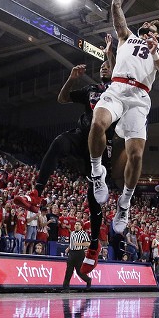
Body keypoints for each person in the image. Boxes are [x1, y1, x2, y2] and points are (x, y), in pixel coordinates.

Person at [87, 0, 159, 237]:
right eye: (146, 29)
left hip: (139, 97)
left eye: (153, 32)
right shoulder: (127, 37)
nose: (148, 33)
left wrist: (156, 50)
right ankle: (97, 173)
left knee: (136, 154)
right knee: (98, 123)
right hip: (117, 87)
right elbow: (115, 6)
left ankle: (125, 202)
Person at [31, 35, 115, 272]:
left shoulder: (118, 90)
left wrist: (109, 51)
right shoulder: (91, 89)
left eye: (108, 66)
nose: (105, 68)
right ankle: (37, 192)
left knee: (94, 196)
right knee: (58, 142)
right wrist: (71, 79)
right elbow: (62, 98)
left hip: (101, 144)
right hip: (81, 136)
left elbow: (116, 66)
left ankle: (94, 246)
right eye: (102, 66)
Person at [63, 221, 92, 291]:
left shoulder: (83, 233)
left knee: (79, 271)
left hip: (79, 253)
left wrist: (79, 244)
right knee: (68, 271)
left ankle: (88, 280)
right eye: (76, 224)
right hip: (72, 253)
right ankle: (65, 287)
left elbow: (88, 243)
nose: (77, 226)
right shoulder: (72, 233)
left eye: (79, 225)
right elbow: (72, 243)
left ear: (81, 227)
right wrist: (68, 248)